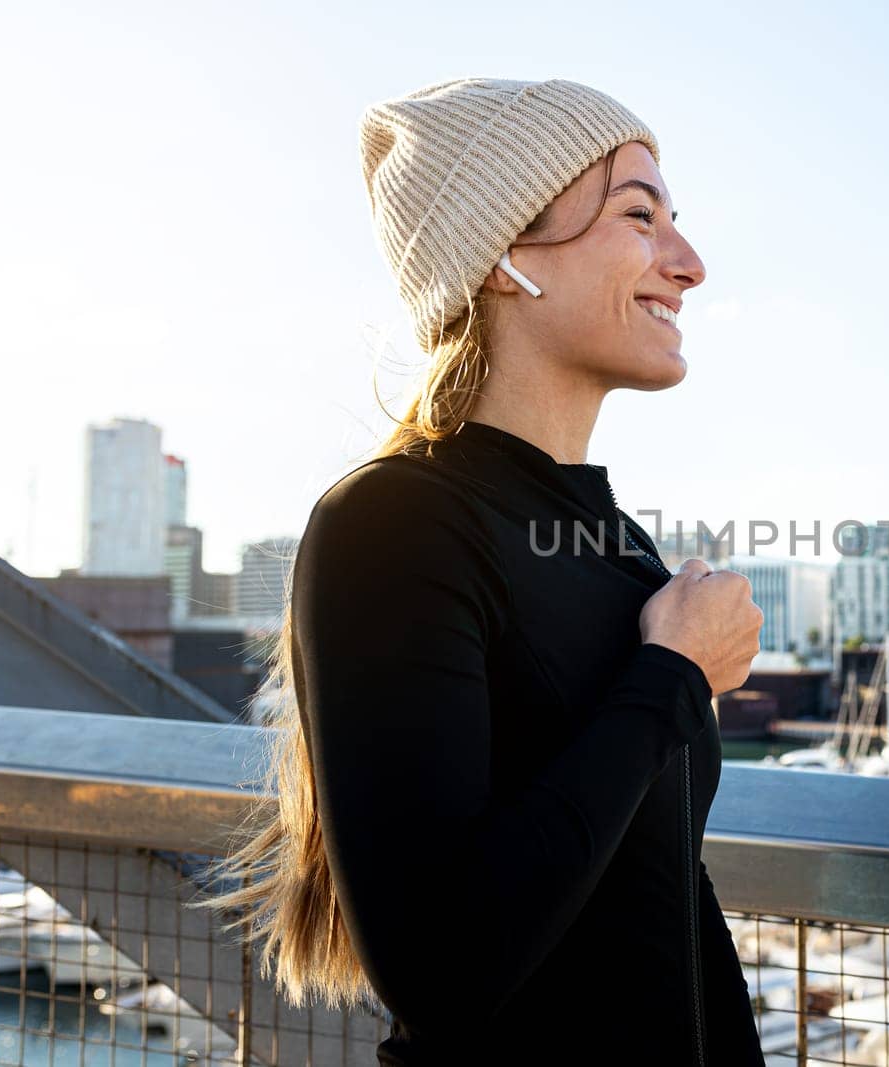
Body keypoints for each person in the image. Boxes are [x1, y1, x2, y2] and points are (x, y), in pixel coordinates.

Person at [193, 77, 767, 1065]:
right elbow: (441, 968)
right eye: (640, 215)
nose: (690, 264)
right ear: (505, 254)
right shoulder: (392, 522)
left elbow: (666, 901)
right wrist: (669, 675)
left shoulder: (619, 546)